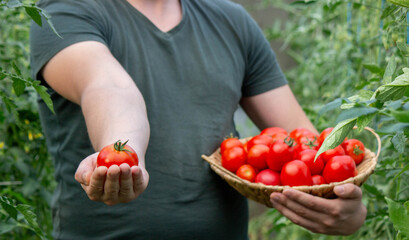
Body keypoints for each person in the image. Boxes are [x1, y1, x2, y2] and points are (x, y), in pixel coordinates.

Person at [29, 0, 367, 239]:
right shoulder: (64, 12)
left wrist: (347, 211)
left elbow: (314, 154)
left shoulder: (232, 21)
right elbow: (108, 86)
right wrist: (124, 152)